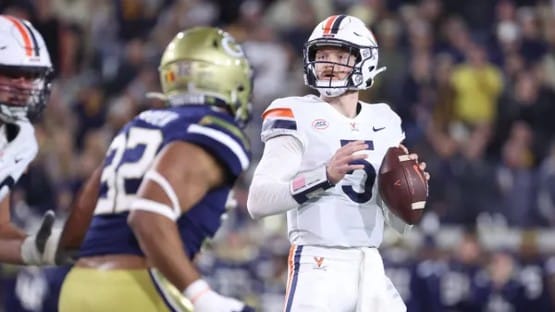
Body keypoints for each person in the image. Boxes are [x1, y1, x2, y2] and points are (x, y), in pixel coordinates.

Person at [57, 27, 255, 312]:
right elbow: (148, 214)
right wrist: (204, 298)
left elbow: (76, 229)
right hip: (137, 289)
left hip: (78, 287)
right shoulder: (215, 129)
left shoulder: (141, 122)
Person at [247, 15, 430, 311]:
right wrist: (324, 176)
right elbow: (258, 201)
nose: (329, 63)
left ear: (365, 61)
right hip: (319, 264)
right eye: (322, 55)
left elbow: (399, 225)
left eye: (340, 55)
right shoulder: (296, 114)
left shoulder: (384, 120)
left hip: (370, 263)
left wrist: (411, 194)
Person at [0, 14, 62, 266]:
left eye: (31, 75)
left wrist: (39, 249)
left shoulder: (16, 137)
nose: (24, 86)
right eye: (13, 74)